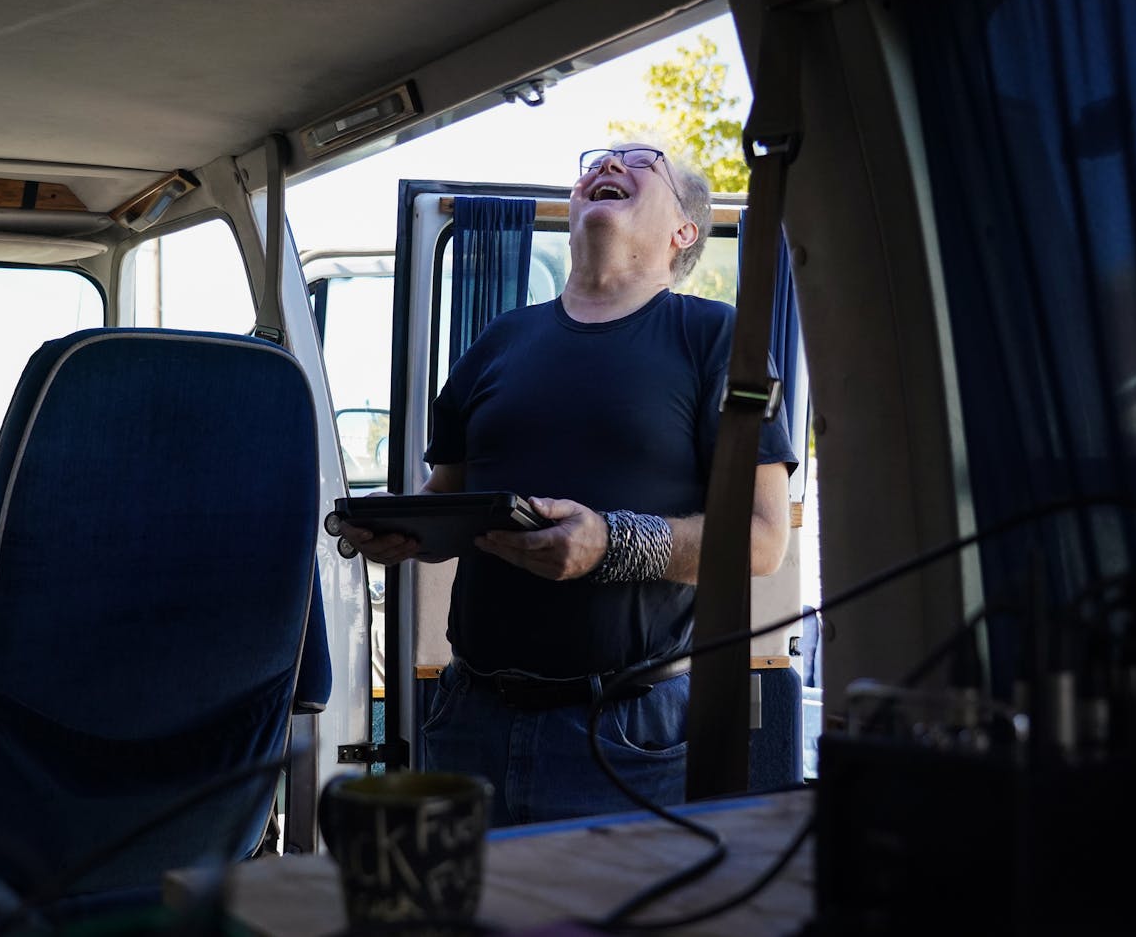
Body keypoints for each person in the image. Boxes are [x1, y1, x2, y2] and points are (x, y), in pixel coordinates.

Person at [339, 142, 798, 826]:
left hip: (626, 734)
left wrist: (613, 544)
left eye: (641, 162)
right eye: (598, 161)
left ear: (684, 231)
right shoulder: (498, 341)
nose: (608, 166)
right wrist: (400, 529)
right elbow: (448, 502)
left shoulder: (718, 340)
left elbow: (764, 540)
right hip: (468, 720)